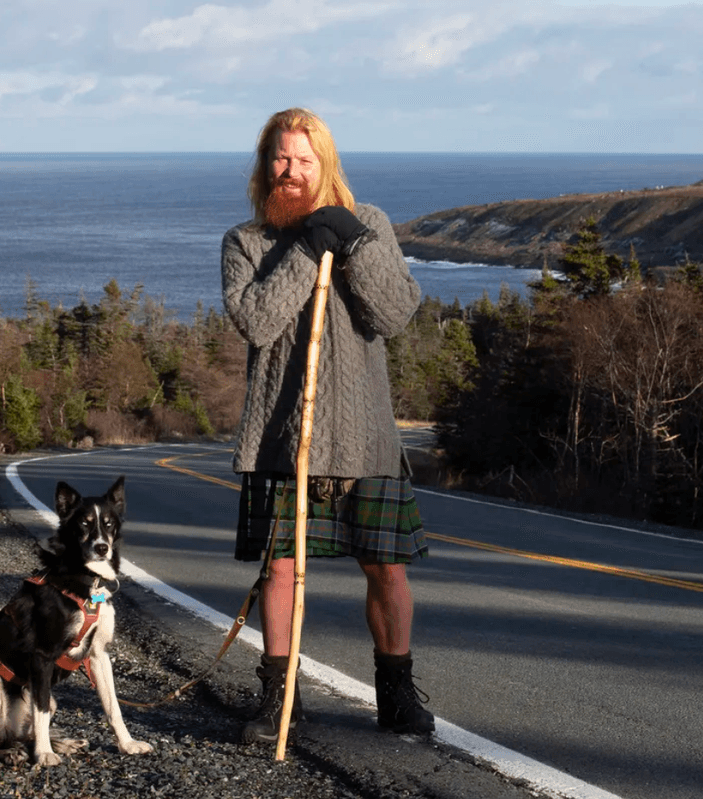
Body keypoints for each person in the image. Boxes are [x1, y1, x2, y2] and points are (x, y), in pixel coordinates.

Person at [220, 107, 433, 744]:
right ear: (265, 166)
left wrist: (355, 248)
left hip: (367, 436)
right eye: (281, 160)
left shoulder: (370, 225)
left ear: (326, 165)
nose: (291, 171)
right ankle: (278, 698)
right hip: (285, 440)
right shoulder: (246, 242)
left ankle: (396, 695)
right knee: (280, 569)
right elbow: (257, 322)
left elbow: (394, 313)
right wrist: (306, 249)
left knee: (388, 570)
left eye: (304, 161)